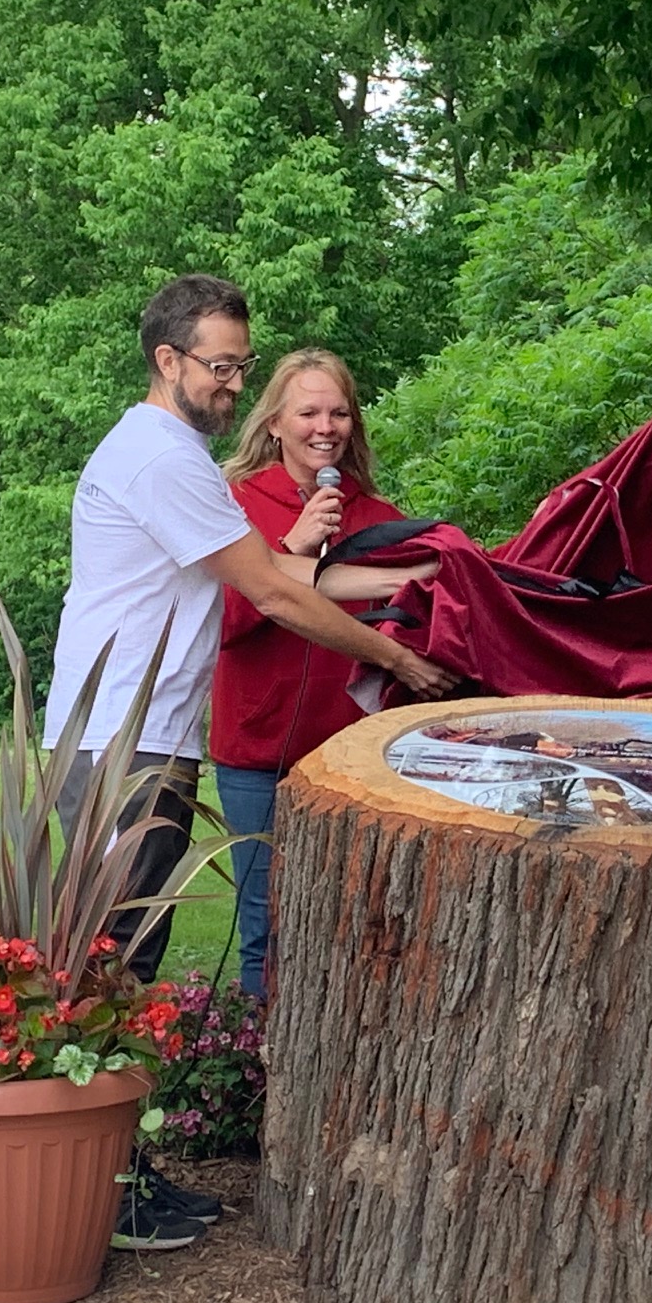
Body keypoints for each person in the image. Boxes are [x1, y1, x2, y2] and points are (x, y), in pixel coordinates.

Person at [44, 275, 453, 1250]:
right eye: (221, 366)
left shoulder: (169, 452)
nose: (234, 384)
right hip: (124, 748)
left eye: (240, 365)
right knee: (114, 974)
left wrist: (440, 575)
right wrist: (396, 656)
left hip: (141, 743)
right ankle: (101, 1191)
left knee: (122, 969)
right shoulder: (159, 454)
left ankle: (118, 1177)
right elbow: (273, 594)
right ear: (168, 361)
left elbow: (299, 577)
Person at [211, 349, 402, 1001]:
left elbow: (405, 625)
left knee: (355, 919)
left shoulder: (379, 518)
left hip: (354, 756)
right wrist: (290, 547)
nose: (326, 426)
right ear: (274, 423)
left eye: (339, 411)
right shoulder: (231, 506)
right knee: (266, 921)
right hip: (259, 752)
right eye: (309, 411)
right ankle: (257, 1075)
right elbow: (225, 625)